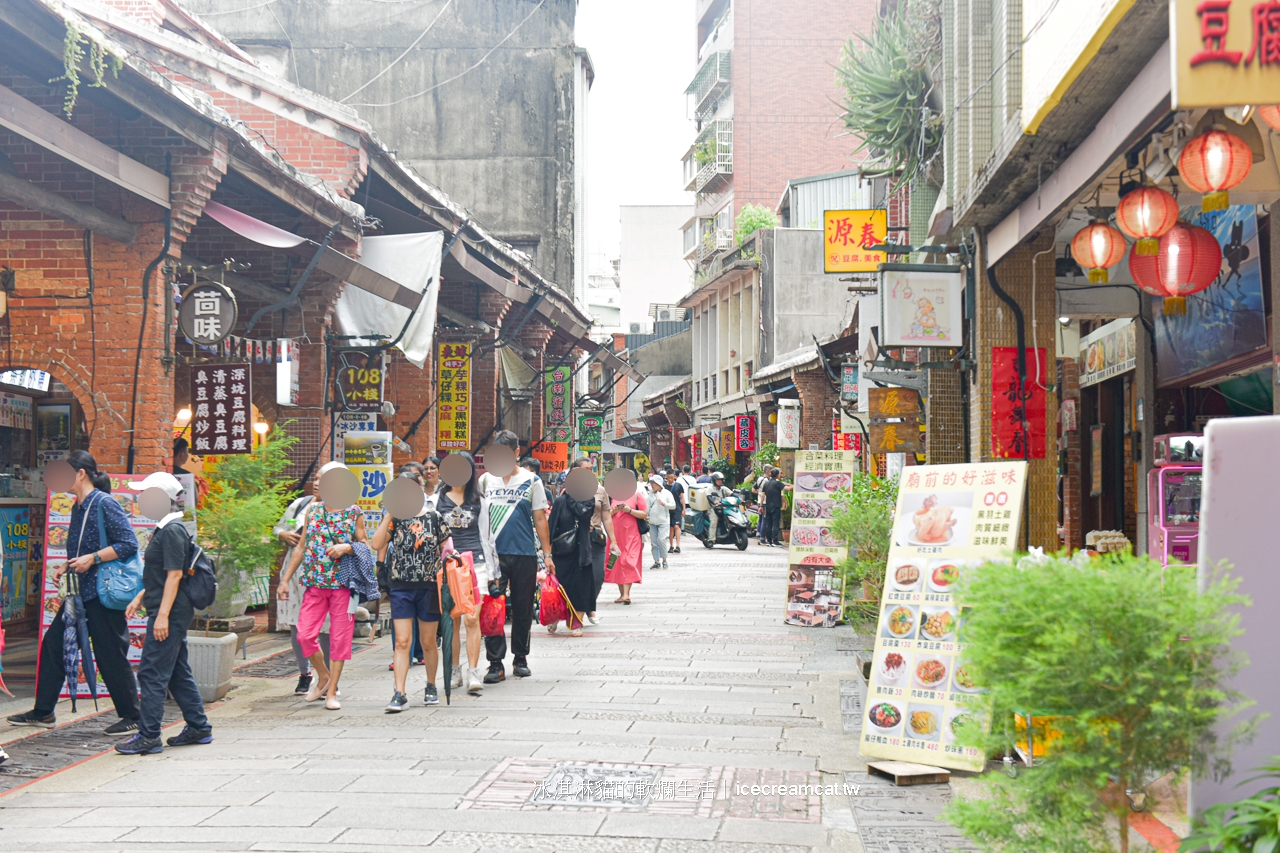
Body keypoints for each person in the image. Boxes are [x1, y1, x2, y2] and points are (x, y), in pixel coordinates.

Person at [8, 451, 141, 734]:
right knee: (54, 646)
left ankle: (133, 715)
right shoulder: (77, 506)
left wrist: (92, 558)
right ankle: (44, 711)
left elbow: (129, 543)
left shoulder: (104, 503)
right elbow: (80, 551)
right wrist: (65, 567)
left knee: (110, 656)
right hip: (79, 594)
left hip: (103, 594)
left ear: (81, 474)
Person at [116, 472, 211, 755]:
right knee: (176, 672)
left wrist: (162, 617)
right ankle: (199, 727)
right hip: (167, 608)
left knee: (151, 672)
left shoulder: (171, 531)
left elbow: (174, 576)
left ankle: (149, 736)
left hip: (170, 611)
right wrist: (140, 596)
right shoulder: (167, 529)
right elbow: (161, 575)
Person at [277, 461, 367, 711]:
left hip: (343, 586)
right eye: (317, 479)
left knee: (339, 640)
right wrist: (285, 580)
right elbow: (302, 547)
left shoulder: (354, 512)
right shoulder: (314, 511)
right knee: (305, 634)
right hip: (314, 584)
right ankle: (324, 677)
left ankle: (331, 693)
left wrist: (346, 547)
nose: (318, 483)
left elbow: (365, 546)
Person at [478, 430, 555, 683]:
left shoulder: (531, 481)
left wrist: (547, 554)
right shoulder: (486, 481)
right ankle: (495, 663)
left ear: (516, 453)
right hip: (494, 556)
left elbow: (540, 518)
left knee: (522, 609)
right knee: (493, 609)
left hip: (524, 553)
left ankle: (520, 657)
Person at [371, 472, 451, 711]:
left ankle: (430, 685)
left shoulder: (434, 518)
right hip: (401, 587)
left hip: (428, 588)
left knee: (428, 642)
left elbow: (447, 549)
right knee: (402, 641)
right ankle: (399, 693)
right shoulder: (395, 519)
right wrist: (388, 515)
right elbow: (376, 544)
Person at [274, 473, 330, 695]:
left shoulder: (343, 510)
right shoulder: (301, 504)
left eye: (323, 479)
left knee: (325, 626)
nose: (317, 483)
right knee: (296, 623)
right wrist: (284, 535)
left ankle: (327, 675)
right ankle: (305, 673)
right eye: (316, 478)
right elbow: (278, 528)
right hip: (295, 572)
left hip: (324, 574)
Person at [435, 451, 486, 694]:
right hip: (448, 567)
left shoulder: (479, 501)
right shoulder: (436, 500)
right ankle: (454, 669)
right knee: (452, 622)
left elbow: (488, 536)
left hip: (476, 564)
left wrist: (494, 571)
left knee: (472, 619)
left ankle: (473, 671)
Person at [382, 465, 426, 669]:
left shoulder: (429, 512)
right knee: (400, 617)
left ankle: (419, 651)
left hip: (424, 575)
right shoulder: (392, 512)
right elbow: (379, 542)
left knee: (418, 618)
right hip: (398, 572)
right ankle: (402, 657)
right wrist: (380, 565)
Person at [571, 457, 618, 624]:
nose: (591, 472)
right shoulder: (569, 490)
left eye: (592, 469)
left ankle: (590, 605)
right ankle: (582, 611)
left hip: (595, 537)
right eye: (587, 469)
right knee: (577, 577)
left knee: (597, 576)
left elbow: (606, 517)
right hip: (576, 539)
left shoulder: (600, 490)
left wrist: (613, 541)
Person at [547, 487, 596, 637]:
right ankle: (555, 616)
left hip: (581, 552)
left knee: (581, 587)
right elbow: (551, 525)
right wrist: (547, 552)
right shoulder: (561, 501)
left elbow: (583, 513)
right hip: (561, 552)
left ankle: (577, 622)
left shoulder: (588, 500)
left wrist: (573, 497)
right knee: (560, 587)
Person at [606, 478, 648, 605]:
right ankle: (621, 594)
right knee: (617, 562)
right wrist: (614, 511)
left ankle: (626, 594)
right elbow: (605, 515)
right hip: (615, 535)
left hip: (632, 534)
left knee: (628, 561)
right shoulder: (610, 497)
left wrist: (629, 510)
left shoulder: (636, 496)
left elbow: (644, 514)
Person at [644, 476, 675, 569]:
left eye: (653, 483)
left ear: (658, 484)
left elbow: (673, 506)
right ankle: (656, 561)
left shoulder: (667, 494)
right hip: (652, 521)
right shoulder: (650, 495)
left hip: (664, 521)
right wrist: (647, 516)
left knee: (662, 540)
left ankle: (664, 559)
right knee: (654, 542)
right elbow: (647, 507)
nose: (652, 485)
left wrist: (664, 504)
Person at [760, 467, 792, 547]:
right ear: (777, 475)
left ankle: (769, 541)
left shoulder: (766, 483)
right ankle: (775, 541)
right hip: (776, 506)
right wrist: (796, 486)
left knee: (769, 524)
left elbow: (762, 496)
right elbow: (788, 489)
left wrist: (761, 506)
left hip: (767, 506)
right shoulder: (778, 483)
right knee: (775, 524)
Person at [705, 471, 734, 544]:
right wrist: (714, 502)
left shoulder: (724, 488)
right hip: (713, 509)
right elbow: (709, 497)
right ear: (714, 481)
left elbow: (732, 494)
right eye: (718, 480)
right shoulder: (710, 488)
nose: (720, 481)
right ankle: (711, 539)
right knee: (714, 522)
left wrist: (740, 498)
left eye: (721, 480)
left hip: (724, 508)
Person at [665, 470, 685, 555]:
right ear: (666, 477)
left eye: (672, 477)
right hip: (668, 510)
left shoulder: (678, 486)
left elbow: (682, 498)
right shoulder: (664, 486)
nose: (670, 479)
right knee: (671, 528)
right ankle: (671, 546)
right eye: (668, 478)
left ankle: (678, 546)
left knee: (677, 526)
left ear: (674, 477)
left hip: (677, 509)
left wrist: (684, 509)